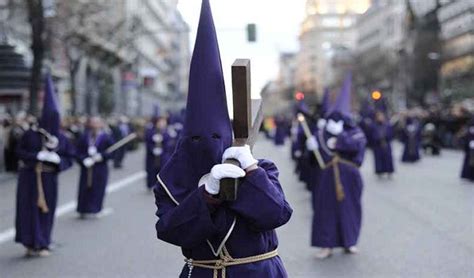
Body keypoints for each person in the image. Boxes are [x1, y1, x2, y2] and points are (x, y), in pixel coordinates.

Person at [153, 1, 292, 276]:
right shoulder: (170, 181)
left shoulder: (261, 168)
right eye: (195, 137)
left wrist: (251, 173)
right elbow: (171, 231)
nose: (205, 142)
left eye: (216, 136)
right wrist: (207, 197)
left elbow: (276, 214)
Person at [306, 73, 366, 259]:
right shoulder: (323, 133)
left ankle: (350, 241)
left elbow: (357, 147)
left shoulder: (355, 132)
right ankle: (326, 245)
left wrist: (341, 137)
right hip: (327, 176)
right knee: (325, 210)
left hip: (349, 176)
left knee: (350, 209)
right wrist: (311, 148)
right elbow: (316, 157)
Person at [15, 74, 74, 257]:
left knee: (46, 211)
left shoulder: (61, 138)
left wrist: (59, 161)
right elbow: (19, 152)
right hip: (30, 177)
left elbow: (69, 158)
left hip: (49, 178)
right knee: (28, 210)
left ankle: (44, 242)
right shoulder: (31, 134)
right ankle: (29, 242)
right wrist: (36, 155)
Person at [76, 116, 114, 218]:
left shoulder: (106, 137)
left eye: (96, 123)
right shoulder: (84, 137)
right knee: (84, 188)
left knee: (98, 188)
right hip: (86, 167)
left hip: (99, 168)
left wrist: (102, 156)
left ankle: (96, 209)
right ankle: (83, 209)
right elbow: (77, 151)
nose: (94, 125)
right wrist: (83, 159)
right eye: (92, 123)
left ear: (101, 124)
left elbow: (112, 152)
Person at [367, 110, 395, 177]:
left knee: (388, 158)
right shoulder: (373, 125)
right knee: (379, 158)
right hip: (377, 145)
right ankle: (379, 171)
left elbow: (391, 134)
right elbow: (371, 135)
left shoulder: (387, 125)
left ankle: (389, 171)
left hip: (386, 143)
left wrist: (386, 136)